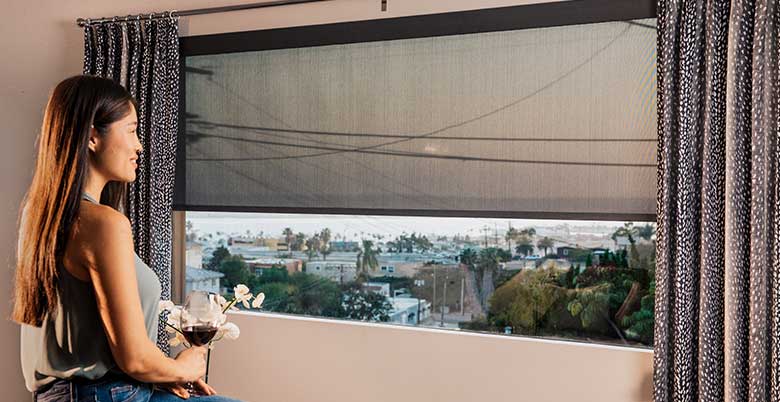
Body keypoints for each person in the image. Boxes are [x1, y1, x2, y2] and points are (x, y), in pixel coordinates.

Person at [12, 75, 243, 401]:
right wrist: (186, 368)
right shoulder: (103, 223)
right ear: (93, 137)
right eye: (132, 130)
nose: (139, 146)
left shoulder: (42, 214)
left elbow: (94, 340)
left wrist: (162, 375)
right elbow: (133, 357)